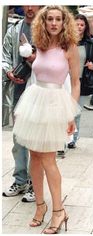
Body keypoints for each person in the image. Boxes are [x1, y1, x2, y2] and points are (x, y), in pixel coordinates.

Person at [13, 5, 80, 234]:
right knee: (34, 156)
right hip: (34, 99)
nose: (53, 23)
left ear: (64, 22)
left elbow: (77, 83)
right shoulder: (40, 45)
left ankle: (59, 211)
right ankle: (40, 206)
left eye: (58, 19)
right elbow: (35, 75)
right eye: (49, 19)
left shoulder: (69, 47)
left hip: (55, 103)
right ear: (44, 21)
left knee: (49, 159)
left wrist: (70, 114)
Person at [2, 5, 41, 202]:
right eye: (26, 3)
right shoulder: (14, 29)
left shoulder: (45, 29)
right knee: (18, 140)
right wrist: (9, 71)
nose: (29, 7)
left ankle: (35, 184)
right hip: (18, 91)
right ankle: (20, 180)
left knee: (36, 141)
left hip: (39, 92)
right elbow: (5, 54)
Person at [67, 14, 93, 149]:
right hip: (65, 80)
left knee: (76, 111)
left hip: (82, 81)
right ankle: (64, 137)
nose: (79, 27)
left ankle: (72, 138)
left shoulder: (92, 43)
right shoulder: (66, 42)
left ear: (85, 27)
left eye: (82, 25)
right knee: (64, 111)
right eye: (77, 24)